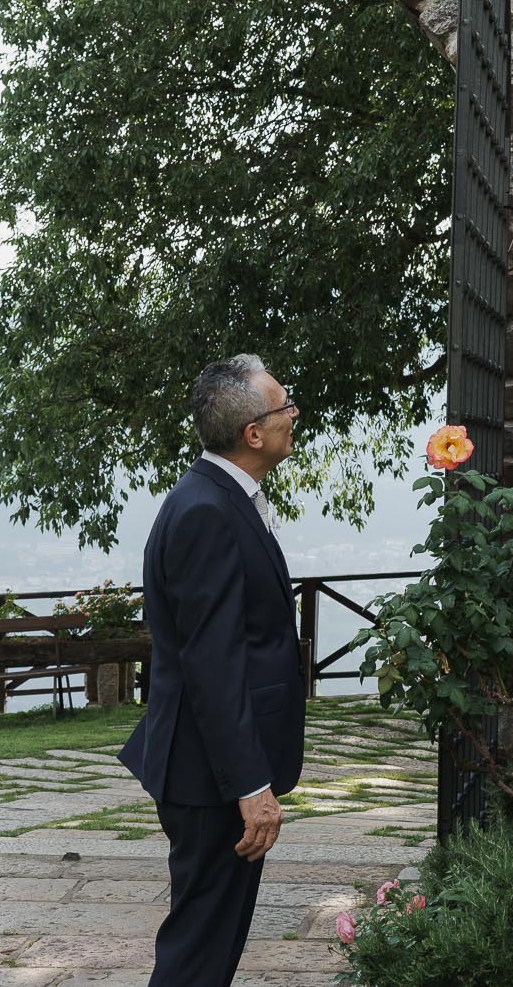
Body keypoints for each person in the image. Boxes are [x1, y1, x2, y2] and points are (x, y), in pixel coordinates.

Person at [119, 354, 307, 987]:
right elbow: (213, 662)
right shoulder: (207, 511)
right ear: (253, 433)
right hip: (210, 776)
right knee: (198, 951)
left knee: (211, 944)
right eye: (284, 406)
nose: (294, 415)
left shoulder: (222, 497)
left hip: (213, 769)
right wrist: (250, 786)